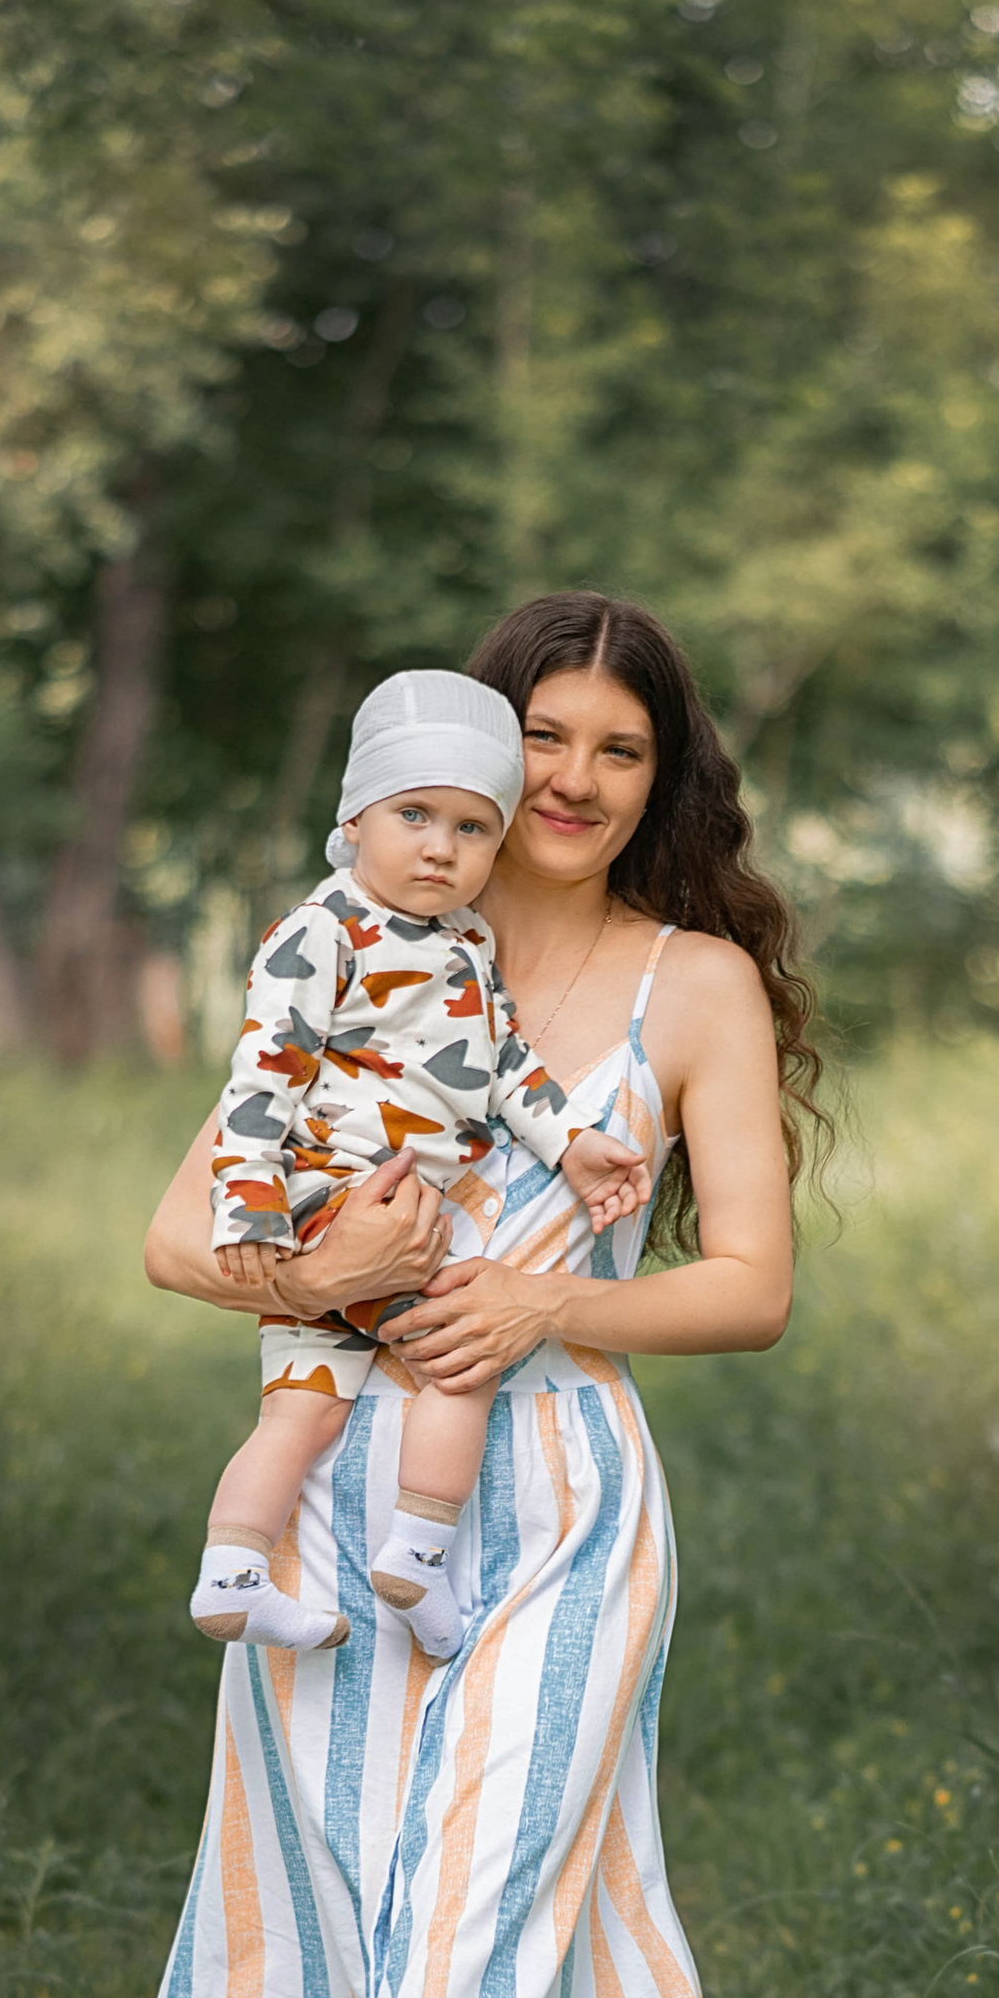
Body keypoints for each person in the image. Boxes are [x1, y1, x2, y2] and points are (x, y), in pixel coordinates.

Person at [128, 590, 823, 1998]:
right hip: (345, 1500)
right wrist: (317, 1269)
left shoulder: (690, 987)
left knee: (467, 1950)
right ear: (461, 748)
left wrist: (551, 1303)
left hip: (560, 1520)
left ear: (659, 777)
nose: (570, 781)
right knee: (368, 1937)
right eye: (544, 737)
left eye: (619, 750)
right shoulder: (358, 936)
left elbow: (754, 1284)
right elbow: (179, 1235)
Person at [194, 667, 654, 1664]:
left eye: (472, 828)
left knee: (302, 1406)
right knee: (462, 1356)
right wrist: (249, 1208)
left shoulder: (465, 944)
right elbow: (263, 1071)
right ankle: (417, 1553)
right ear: (354, 818)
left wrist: (571, 1145)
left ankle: (231, 1575)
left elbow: (501, 1067)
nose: (441, 848)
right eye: (414, 815)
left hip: (349, 1211)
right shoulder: (321, 931)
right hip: (340, 1195)